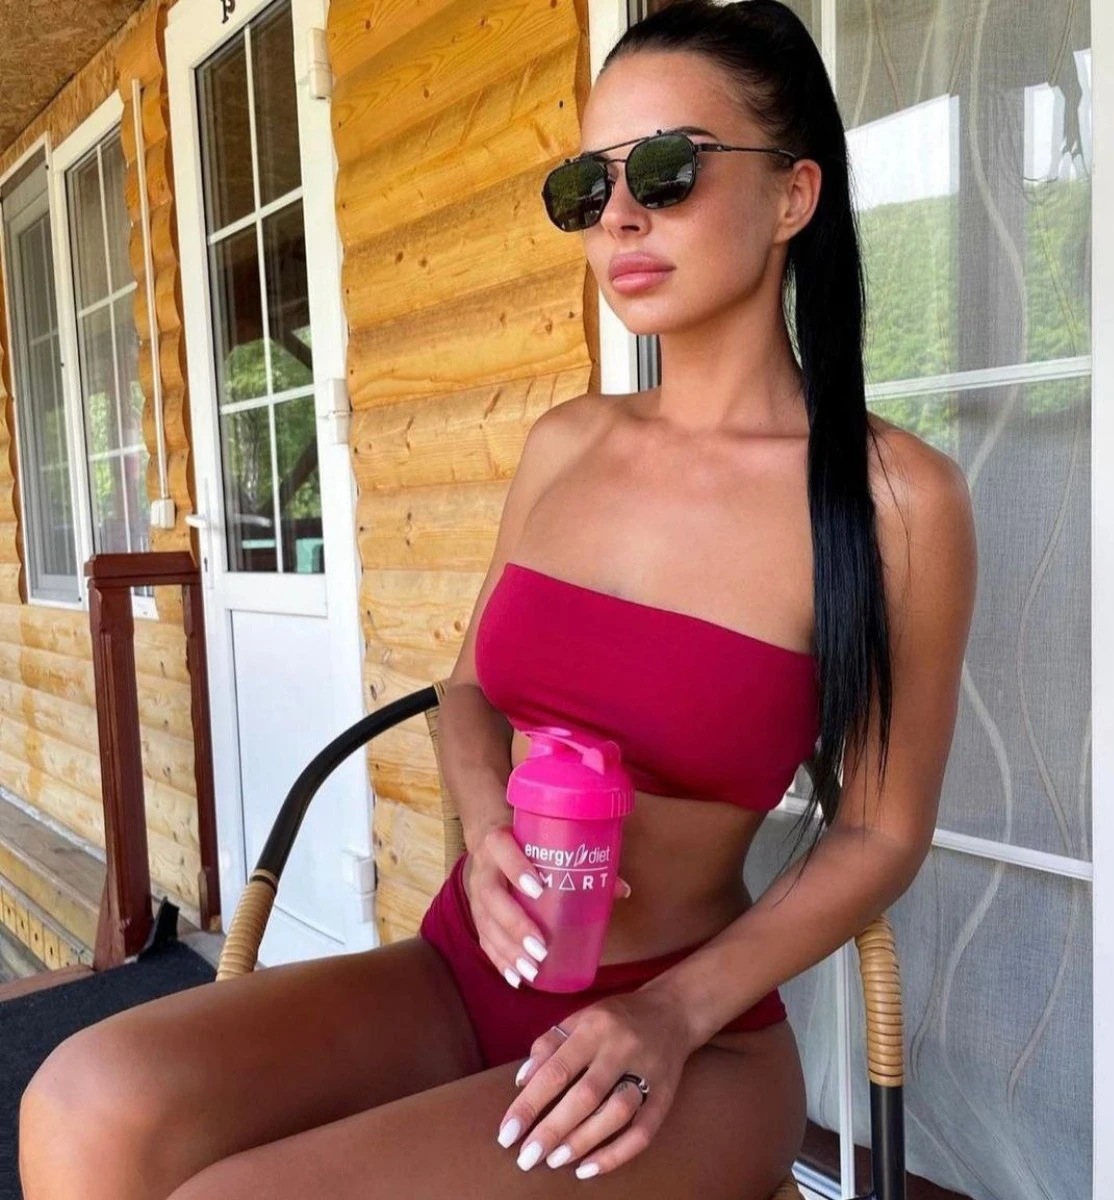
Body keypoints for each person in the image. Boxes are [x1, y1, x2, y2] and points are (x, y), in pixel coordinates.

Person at [18, 2, 977, 1196]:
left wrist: (671, 1012)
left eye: (666, 170)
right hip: (460, 971)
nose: (618, 215)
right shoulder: (565, 444)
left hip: (689, 1039)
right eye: (586, 186)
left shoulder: (894, 502)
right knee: (84, 1101)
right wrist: (482, 836)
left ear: (791, 194)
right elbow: (469, 692)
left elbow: (878, 832)